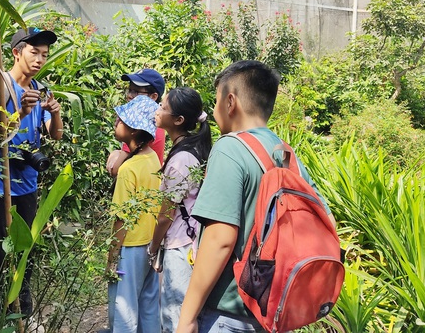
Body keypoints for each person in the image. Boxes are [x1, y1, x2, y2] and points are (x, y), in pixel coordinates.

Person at [176, 60, 335, 333]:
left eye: (215, 102)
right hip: (271, 311)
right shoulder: (287, 155)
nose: (214, 112)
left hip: (229, 315)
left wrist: (187, 317)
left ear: (230, 101)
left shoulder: (230, 148)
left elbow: (220, 241)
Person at [0, 27, 63, 322]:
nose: (39, 59)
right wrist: (21, 112)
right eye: (34, 52)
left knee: (25, 254)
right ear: (16, 52)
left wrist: (56, 112)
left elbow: (55, 135)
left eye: (44, 55)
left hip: (26, 184)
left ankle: (21, 313)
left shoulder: (41, 88)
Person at [148, 87, 212, 333]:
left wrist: (153, 249)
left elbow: (166, 214)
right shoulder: (190, 148)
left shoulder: (181, 159)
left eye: (163, 107)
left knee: (175, 317)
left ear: (178, 120)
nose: (158, 110)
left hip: (180, 246)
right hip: (191, 241)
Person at [106, 94, 162, 333]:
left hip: (129, 246)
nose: (116, 122)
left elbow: (121, 218)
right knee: (149, 303)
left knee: (124, 306)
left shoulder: (128, 169)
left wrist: (111, 256)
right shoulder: (153, 159)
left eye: (120, 120)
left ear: (132, 130)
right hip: (150, 244)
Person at [106, 68, 166, 176]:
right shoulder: (157, 122)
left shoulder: (141, 127)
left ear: (153, 97)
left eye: (136, 92)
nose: (129, 95)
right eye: (130, 90)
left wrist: (114, 154)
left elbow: (115, 169)